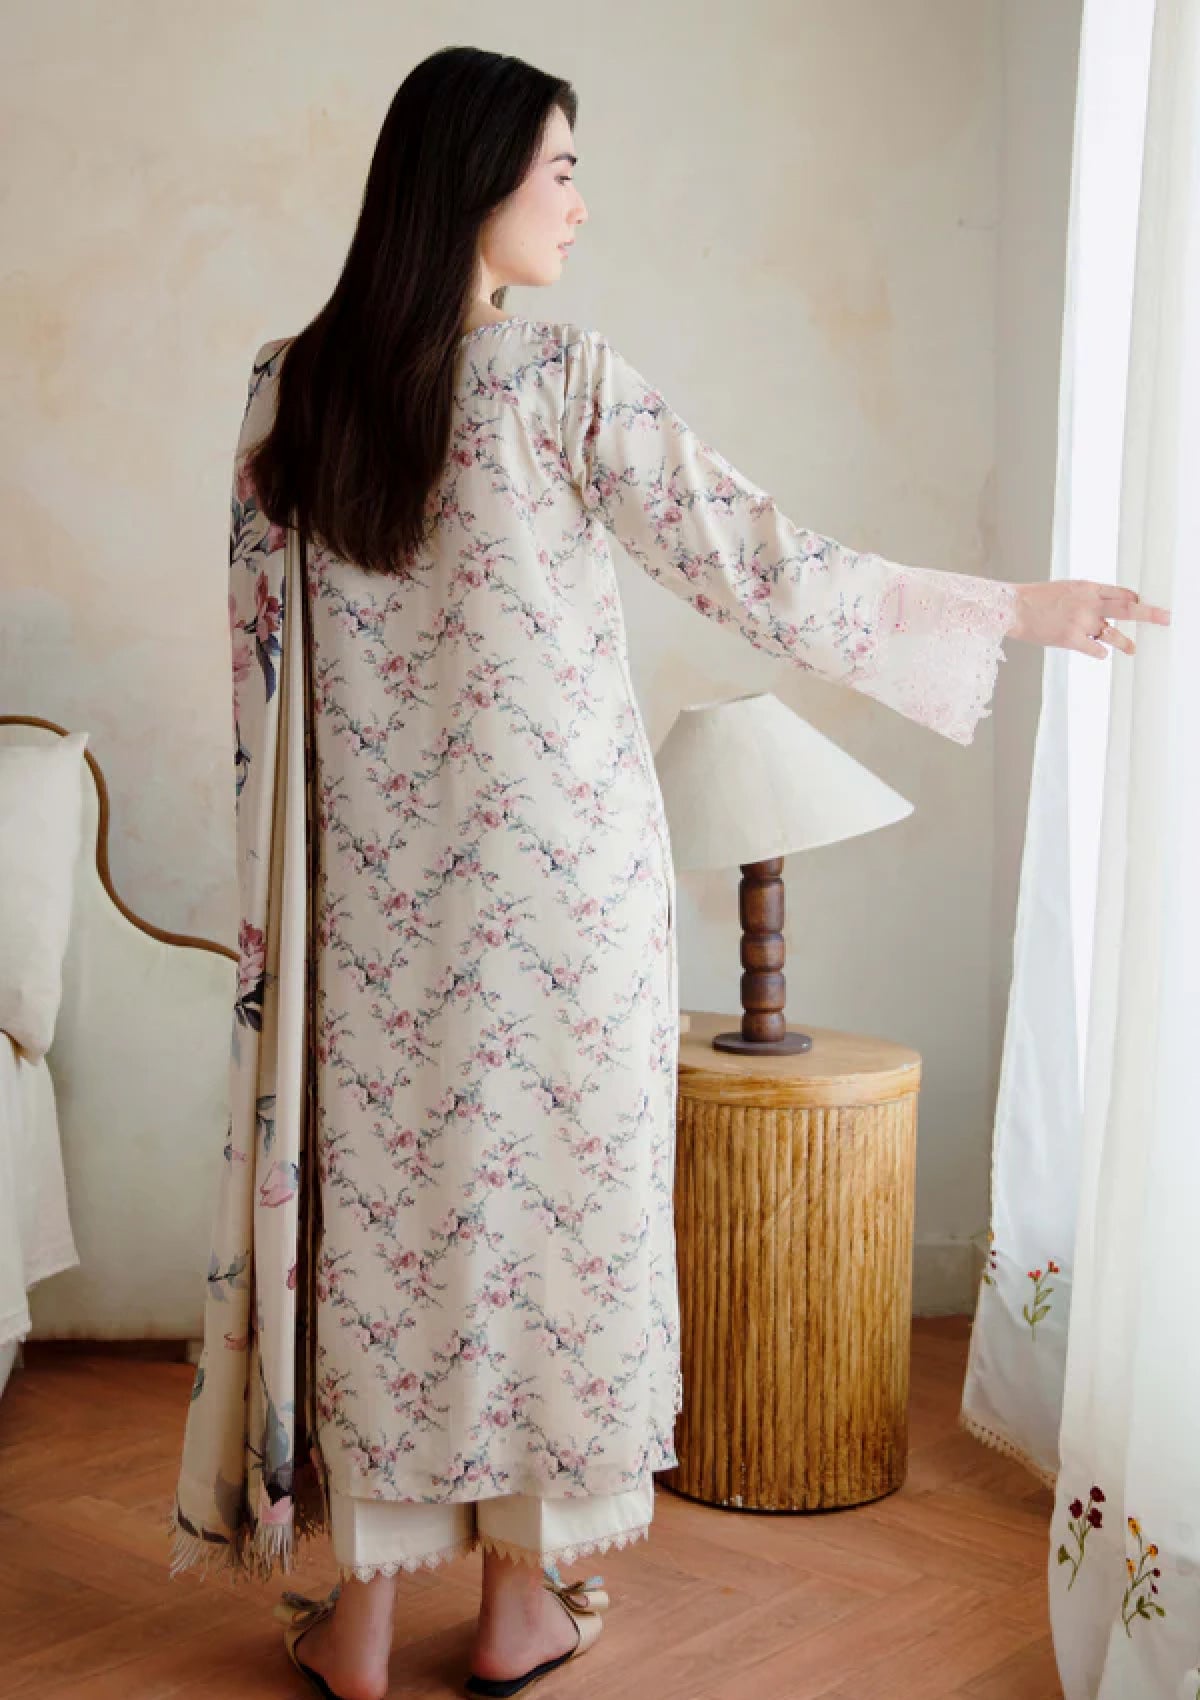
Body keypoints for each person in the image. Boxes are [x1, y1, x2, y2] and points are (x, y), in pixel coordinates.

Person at [170, 44, 1171, 1700]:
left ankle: (359, 1623)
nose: (581, 202)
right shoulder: (563, 382)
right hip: (566, 913)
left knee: (388, 1240)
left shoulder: (292, 389)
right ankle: (516, 1609)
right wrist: (1012, 610)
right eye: (561, 168)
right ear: (476, 178)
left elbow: (256, 692)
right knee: (549, 1239)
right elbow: (759, 567)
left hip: (370, 921)